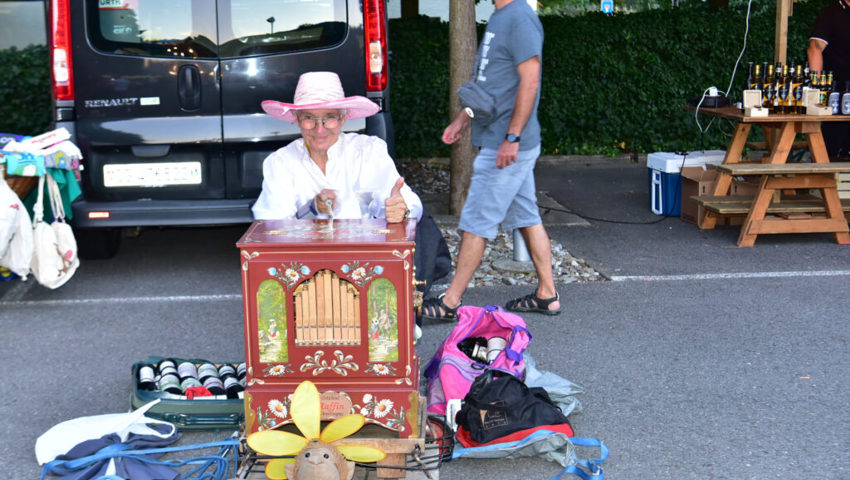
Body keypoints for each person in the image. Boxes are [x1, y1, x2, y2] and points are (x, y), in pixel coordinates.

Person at [419, 0, 560, 321]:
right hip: (501, 141)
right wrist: (462, 119)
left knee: (475, 222)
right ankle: (547, 294)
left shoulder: (520, 18)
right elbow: (492, 85)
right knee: (526, 216)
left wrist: (512, 137)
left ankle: (450, 302)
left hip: (504, 145)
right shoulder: (500, 17)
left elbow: (531, 80)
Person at [252, 71, 450, 295]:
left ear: (343, 118)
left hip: (371, 266)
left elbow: (407, 201)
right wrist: (311, 210)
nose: (320, 128)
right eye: (309, 118)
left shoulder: (368, 150)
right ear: (297, 120)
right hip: (309, 274)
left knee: (417, 223)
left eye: (329, 117)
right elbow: (270, 228)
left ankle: (406, 316)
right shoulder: (280, 162)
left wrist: (399, 209)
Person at [807, 0, 850, 160]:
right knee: (834, 147)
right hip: (838, 92)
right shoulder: (831, 13)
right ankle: (827, 180)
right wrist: (815, 86)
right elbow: (815, 49)